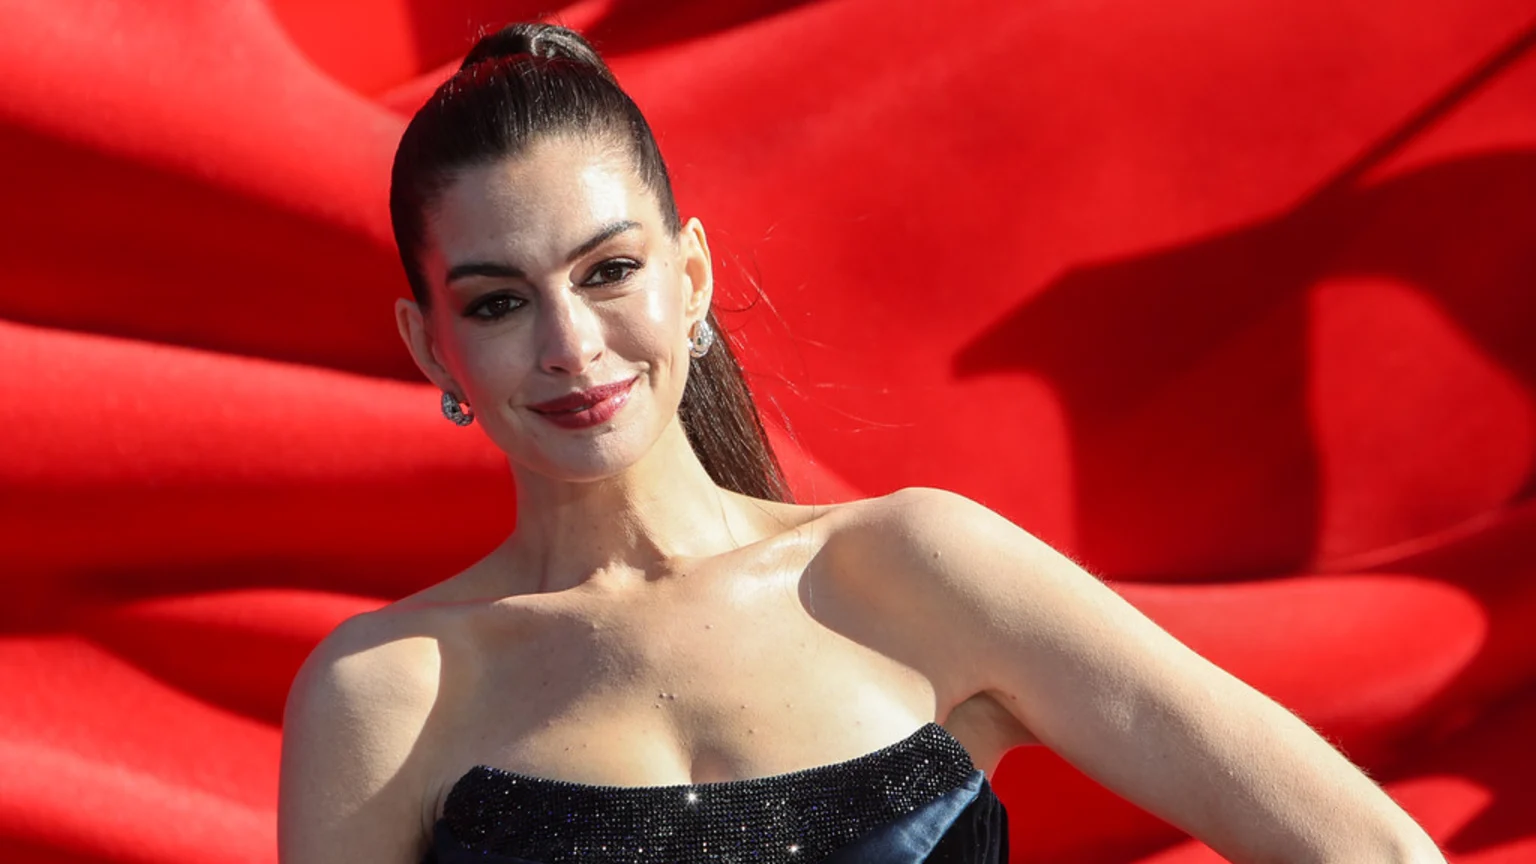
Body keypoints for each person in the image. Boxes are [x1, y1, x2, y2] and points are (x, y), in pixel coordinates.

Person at [277, 21, 1446, 864]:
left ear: (691, 276)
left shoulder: (918, 568)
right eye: (496, 303)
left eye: (610, 271)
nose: (570, 345)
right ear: (431, 347)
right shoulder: (387, 694)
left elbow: (1372, 850)